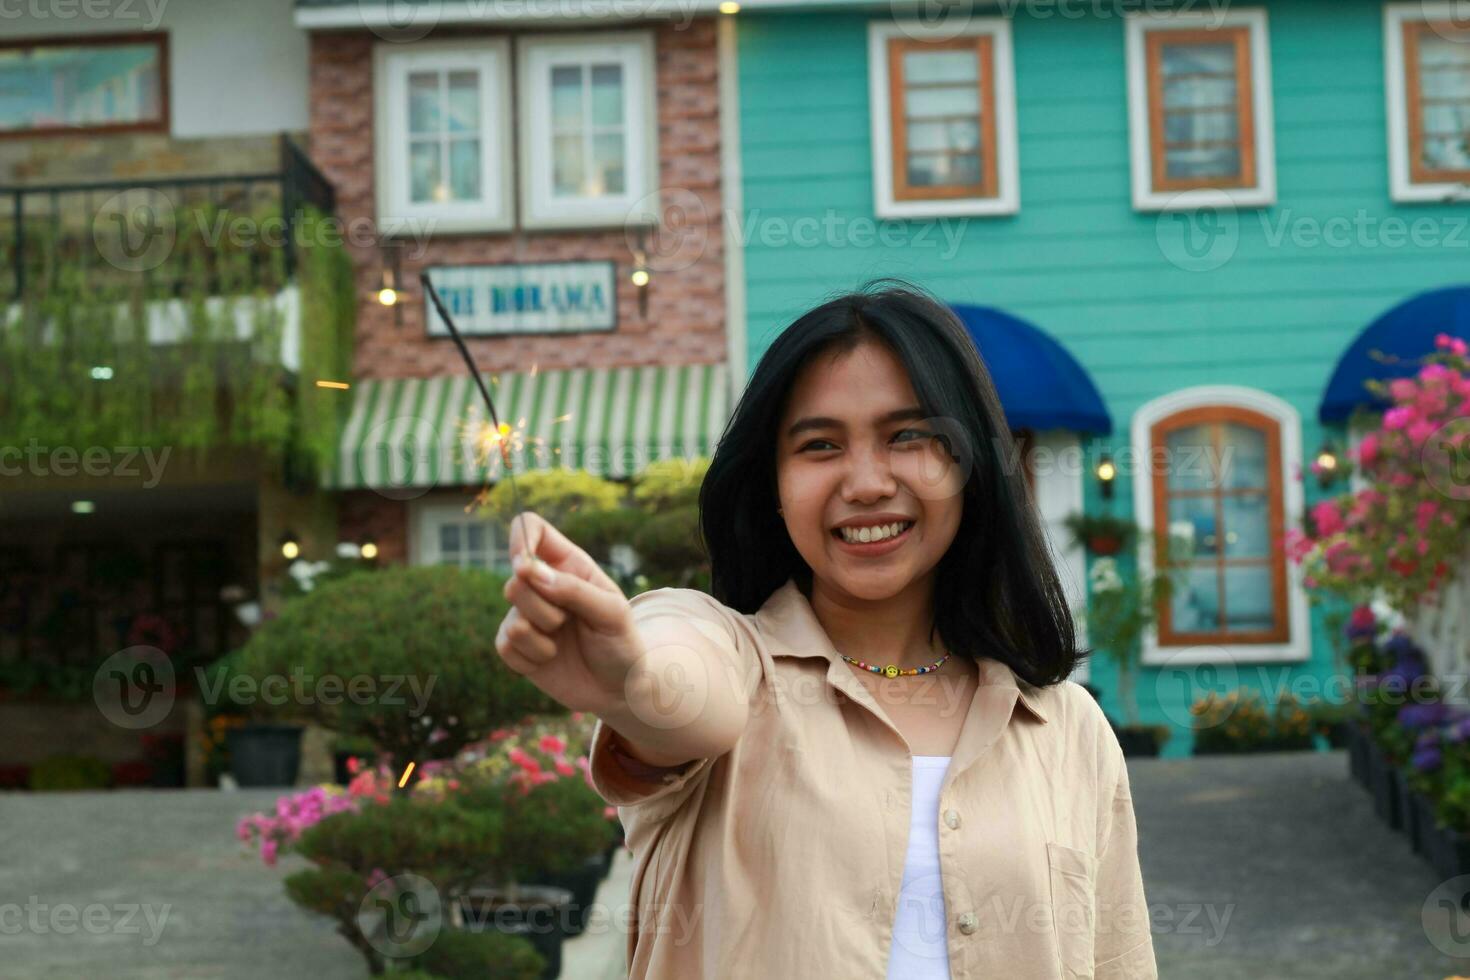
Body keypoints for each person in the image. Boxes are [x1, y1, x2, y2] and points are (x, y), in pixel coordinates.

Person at [495, 281, 1157, 979]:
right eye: (819, 445)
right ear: (771, 485)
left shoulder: (1070, 731)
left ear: (969, 468)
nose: (866, 482)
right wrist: (631, 678)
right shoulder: (735, 664)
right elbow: (680, 681)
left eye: (909, 436)